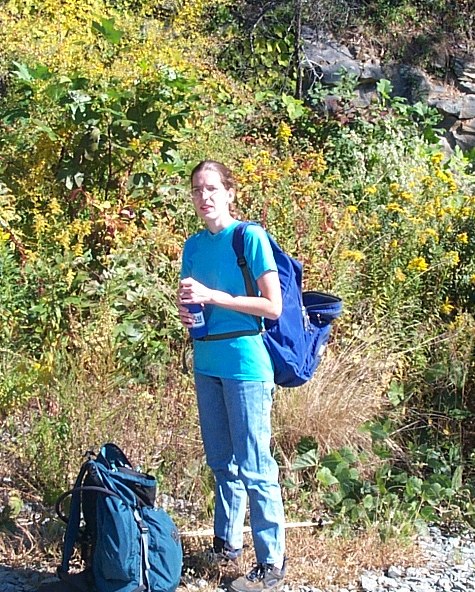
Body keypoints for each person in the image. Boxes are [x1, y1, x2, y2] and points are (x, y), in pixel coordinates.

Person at [177, 160, 287, 592]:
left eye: (212, 188)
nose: (205, 196)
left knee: (256, 466)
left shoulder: (249, 237)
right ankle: (227, 543)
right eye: (198, 189)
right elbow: (192, 302)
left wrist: (213, 297)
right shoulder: (193, 246)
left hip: (245, 362)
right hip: (206, 360)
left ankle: (271, 564)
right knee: (221, 461)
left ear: (230, 193)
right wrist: (188, 311)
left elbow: (272, 306)